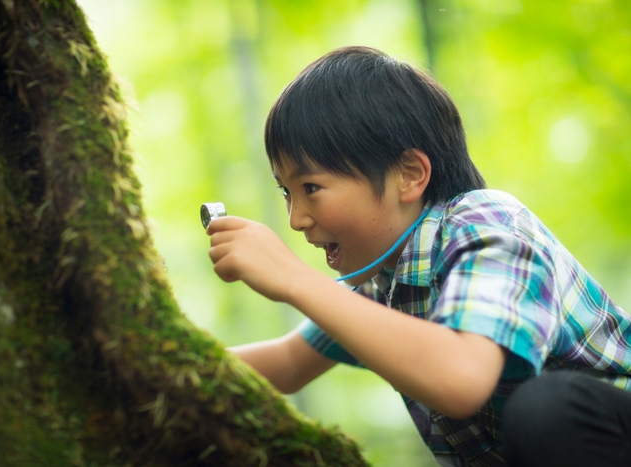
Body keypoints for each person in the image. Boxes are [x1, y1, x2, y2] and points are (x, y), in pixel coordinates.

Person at [205, 46, 631, 466]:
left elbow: (461, 377)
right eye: (286, 193)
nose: (296, 219)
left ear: (409, 176)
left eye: (310, 188)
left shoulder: (485, 223)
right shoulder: (379, 287)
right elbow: (286, 363)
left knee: (545, 409)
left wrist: (293, 278)